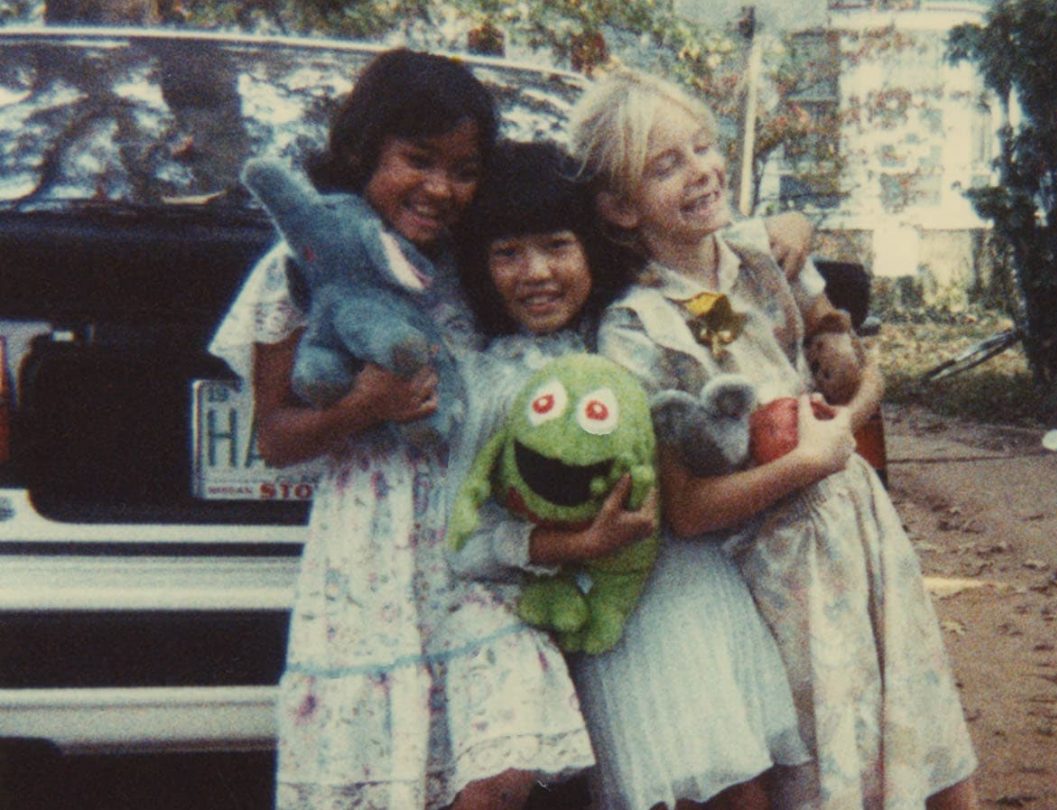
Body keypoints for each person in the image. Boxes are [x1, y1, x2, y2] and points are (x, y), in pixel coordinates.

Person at [569, 68, 982, 810]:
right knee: (831, 761)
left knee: (921, 734)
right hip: (778, 568)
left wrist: (834, 339)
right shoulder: (636, 328)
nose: (701, 171)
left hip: (857, 534)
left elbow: (809, 360)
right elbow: (688, 509)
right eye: (667, 165)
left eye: (702, 147)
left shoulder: (751, 261)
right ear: (620, 207)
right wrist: (814, 455)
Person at [208, 50, 594, 810]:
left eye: (464, 169)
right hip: (369, 562)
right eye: (418, 161)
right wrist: (363, 407)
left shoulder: (475, 261)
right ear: (361, 152)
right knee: (390, 779)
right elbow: (277, 437)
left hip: (474, 541)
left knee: (502, 767)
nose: (441, 188)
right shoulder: (302, 265)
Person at [450, 138, 809, 810]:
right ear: (480, 266)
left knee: (745, 784)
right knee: (698, 781)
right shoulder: (494, 382)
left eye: (557, 245)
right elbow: (469, 541)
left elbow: (744, 325)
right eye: (507, 254)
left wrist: (786, 232)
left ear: (592, 242)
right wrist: (576, 546)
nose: (536, 273)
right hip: (619, 616)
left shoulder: (648, 309)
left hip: (696, 584)